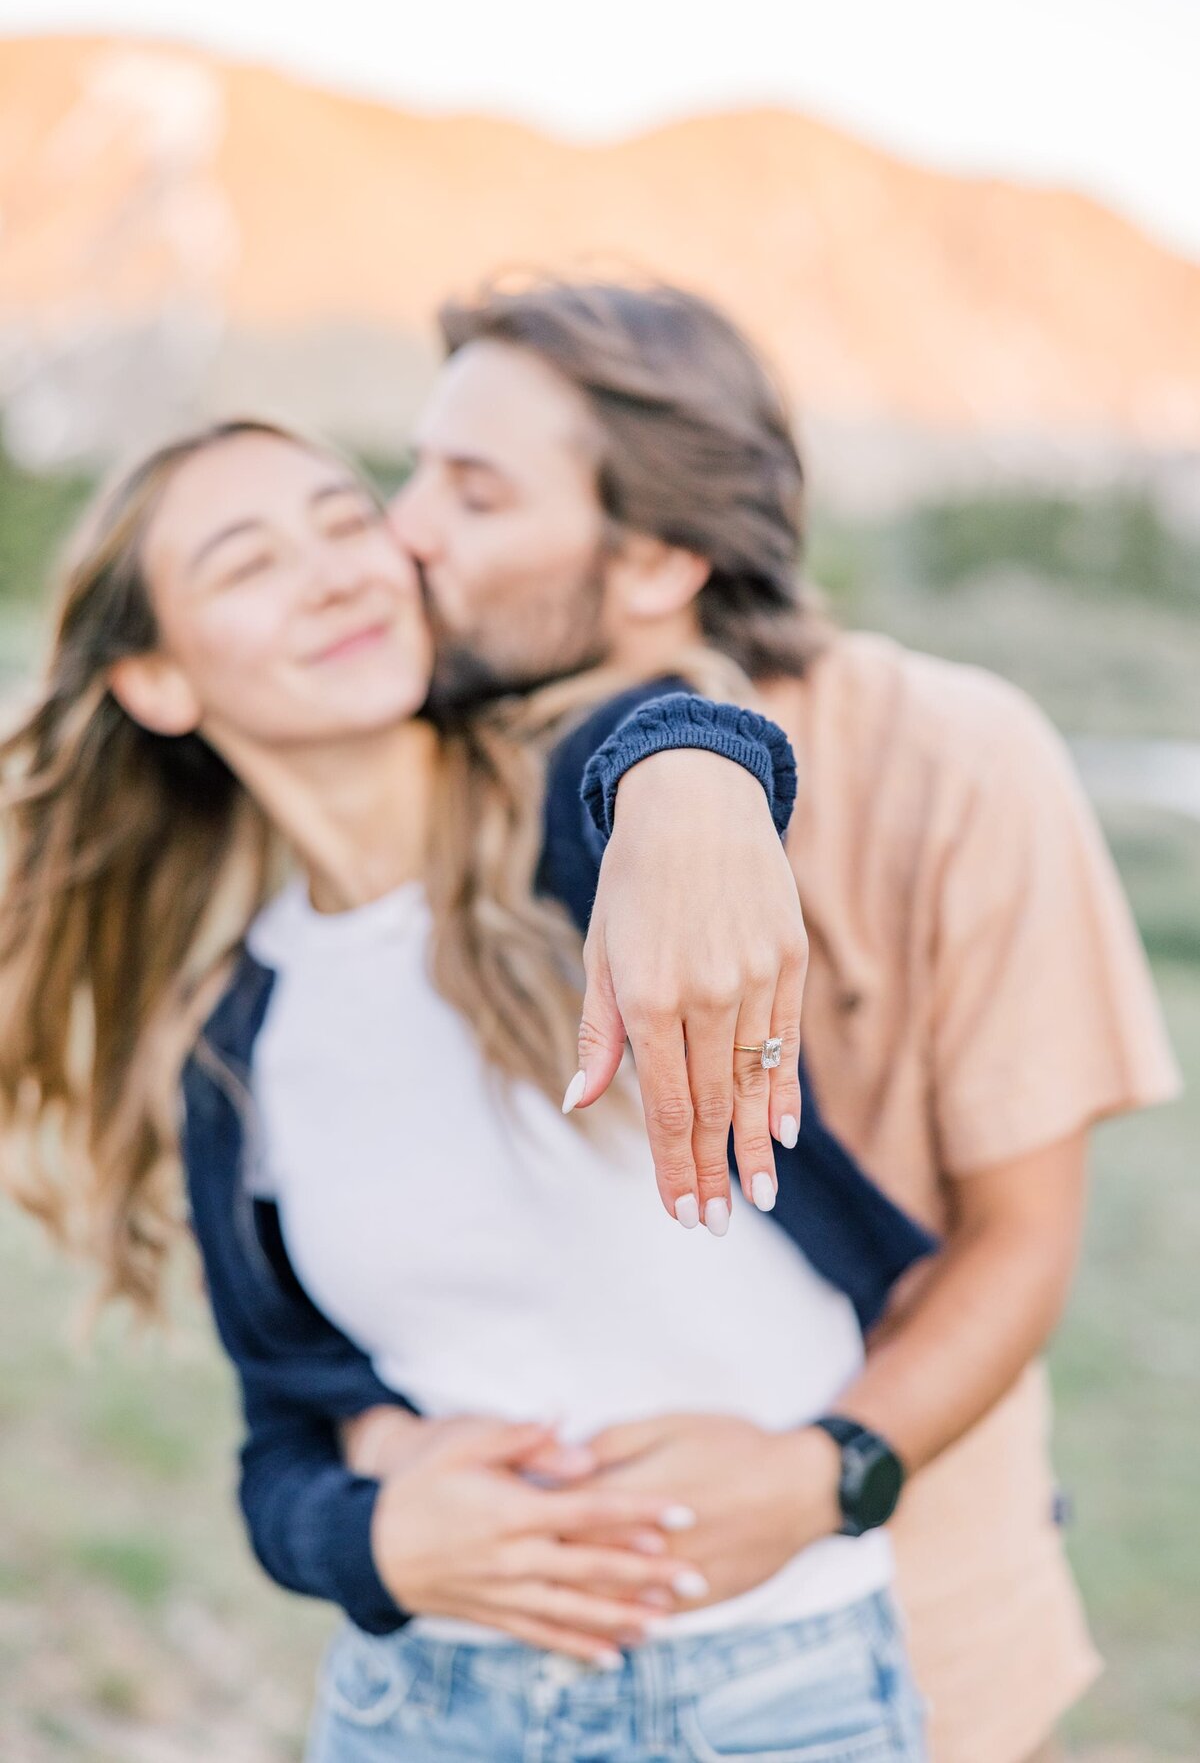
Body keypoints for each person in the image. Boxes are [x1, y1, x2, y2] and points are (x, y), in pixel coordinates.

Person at [0, 420, 932, 1761]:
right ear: (154, 679)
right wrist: (373, 1536)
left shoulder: (582, 821)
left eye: (344, 520)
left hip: (778, 1695)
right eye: (248, 562)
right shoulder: (232, 1043)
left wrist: (698, 778)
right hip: (425, 1710)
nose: (331, 573)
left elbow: (670, 728)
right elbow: (283, 1443)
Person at [376, 278, 1183, 1763]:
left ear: (659, 561)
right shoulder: (409, 776)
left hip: (915, 1629)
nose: (404, 529)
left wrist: (827, 1476)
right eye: (414, 471)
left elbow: (1022, 1237)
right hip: (517, 1661)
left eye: (473, 493)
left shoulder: (955, 759)